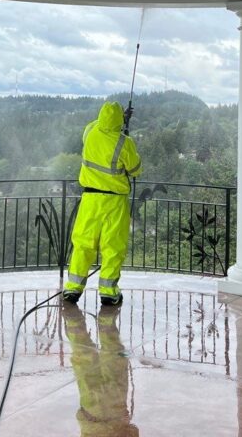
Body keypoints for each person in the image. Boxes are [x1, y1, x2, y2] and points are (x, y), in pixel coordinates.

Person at [63, 101, 142, 307]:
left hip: (90, 199)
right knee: (113, 246)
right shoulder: (124, 143)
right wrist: (123, 127)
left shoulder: (90, 131)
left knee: (82, 244)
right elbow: (135, 170)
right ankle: (108, 292)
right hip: (115, 201)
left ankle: (72, 288)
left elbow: (100, 124)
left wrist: (117, 120)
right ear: (120, 119)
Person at [63, 302, 139, 436]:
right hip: (91, 413)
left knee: (114, 359)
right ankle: (73, 320)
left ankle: (106, 321)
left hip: (114, 410)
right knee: (84, 359)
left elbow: (133, 431)